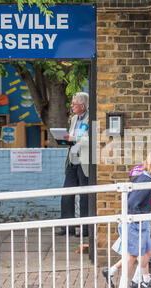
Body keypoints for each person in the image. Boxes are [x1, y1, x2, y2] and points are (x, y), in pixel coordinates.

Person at [102, 151, 151, 288]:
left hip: (139, 221)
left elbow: (141, 203)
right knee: (132, 255)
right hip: (134, 223)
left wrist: (150, 217)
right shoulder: (146, 180)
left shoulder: (148, 178)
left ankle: (137, 280)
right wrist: (140, 219)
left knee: (149, 251)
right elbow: (132, 203)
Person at [56, 92, 90, 237]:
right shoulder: (73, 118)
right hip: (72, 159)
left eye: (74, 104)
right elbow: (73, 139)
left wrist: (74, 138)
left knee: (84, 196)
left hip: (84, 161)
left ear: (82, 106)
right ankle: (67, 227)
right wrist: (65, 139)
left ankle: (85, 229)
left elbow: (90, 140)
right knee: (67, 194)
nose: (72, 106)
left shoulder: (91, 118)